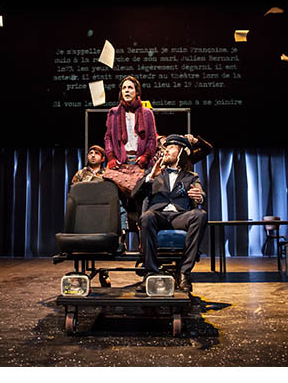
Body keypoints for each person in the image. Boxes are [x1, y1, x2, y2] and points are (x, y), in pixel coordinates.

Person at [132, 134, 207, 293]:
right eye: (165, 147)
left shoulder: (190, 177)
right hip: (158, 216)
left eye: (171, 147)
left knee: (200, 215)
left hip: (180, 217)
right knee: (147, 216)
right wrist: (150, 177)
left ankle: (184, 273)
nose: (166, 150)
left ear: (181, 153)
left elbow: (200, 192)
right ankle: (151, 273)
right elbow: (134, 194)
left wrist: (199, 196)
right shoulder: (154, 173)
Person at [71, 145, 128, 237]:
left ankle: (122, 231)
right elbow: (74, 192)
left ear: (103, 159)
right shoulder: (81, 174)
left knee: (118, 202)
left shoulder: (108, 173)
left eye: (96, 153)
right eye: (90, 153)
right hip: (85, 204)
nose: (93, 155)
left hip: (103, 205)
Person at [104, 76, 157, 170]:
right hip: (120, 162)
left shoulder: (147, 113)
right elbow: (108, 138)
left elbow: (152, 138)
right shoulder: (114, 113)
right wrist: (111, 157)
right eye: (124, 88)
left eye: (130, 87)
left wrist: (146, 156)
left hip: (140, 162)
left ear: (137, 92)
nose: (127, 90)